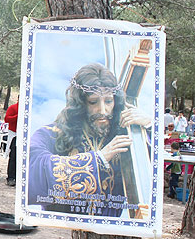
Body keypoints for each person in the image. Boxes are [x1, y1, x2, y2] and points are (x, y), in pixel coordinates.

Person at [28, 63, 151, 217]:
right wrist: (97, 159)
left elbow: (148, 170)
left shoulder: (125, 134)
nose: (103, 110)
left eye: (108, 101)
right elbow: (32, 168)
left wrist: (149, 127)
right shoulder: (54, 133)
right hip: (62, 228)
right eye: (93, 102)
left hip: (110, 230)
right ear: (80, 104)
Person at [5, 99, 19, 186]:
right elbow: (7, 119)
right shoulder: (13, 107)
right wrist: (18, 116)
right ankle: (11, 177)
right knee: (13, 156)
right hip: (14, 134)